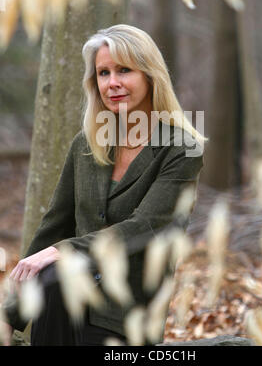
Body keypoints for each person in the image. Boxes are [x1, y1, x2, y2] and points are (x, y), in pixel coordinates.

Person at [1, 24, 205, 346]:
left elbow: (146, 226)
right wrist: (9, 316)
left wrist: (62, 251)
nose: (112, 83)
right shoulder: (86, 144)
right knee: (51, 280)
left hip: (126, 312)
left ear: (150, 75)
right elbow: (55, 226)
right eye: (103, 73)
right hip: (63, 297)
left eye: (124, 70)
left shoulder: (181, 148)